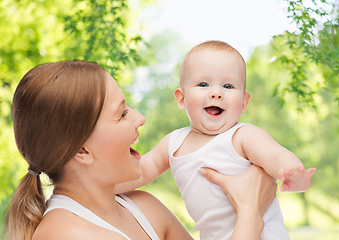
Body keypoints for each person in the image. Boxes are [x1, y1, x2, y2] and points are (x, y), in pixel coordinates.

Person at [5, 60, 278, 240]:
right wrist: (250, 213)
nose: (139, 118)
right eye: (122, 114)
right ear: (81, 150)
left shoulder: (143, 207)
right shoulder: (67, 235)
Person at [115, 41, 317, 240]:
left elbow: (275, 154)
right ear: (181, 99)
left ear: (244, 102)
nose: (216, 93)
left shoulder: (242, 136)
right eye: (203, 84)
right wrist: (100, 189)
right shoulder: (173, 143)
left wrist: (291, 171)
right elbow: (139, 172)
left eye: (228, 86)